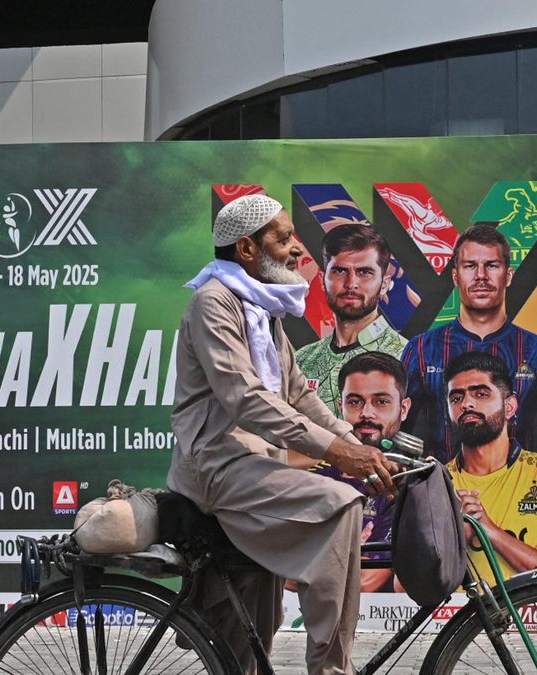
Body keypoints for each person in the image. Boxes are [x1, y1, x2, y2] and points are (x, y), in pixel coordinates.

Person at [167, 193, 397, 675]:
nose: (297, 249)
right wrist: (334, 451)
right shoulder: (215, 304)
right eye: (283, 237)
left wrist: (354, 444)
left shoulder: (260, 308)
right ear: (247, 249)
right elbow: (247, 400)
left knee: (251, 635)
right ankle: (331, 668)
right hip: (217, 466)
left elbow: (298, 394)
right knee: (340, 506)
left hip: (254, 466)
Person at [400, 224, 537, 462]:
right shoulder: (422, 349)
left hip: (519, 491)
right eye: (470, 266)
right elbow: (400, 431)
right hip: (442, 490)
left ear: (508, 275)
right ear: (456, 276)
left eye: (492, 265)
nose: (481, 276)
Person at [444, 351, 537, 583]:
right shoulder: (436, 484)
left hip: (535, 617)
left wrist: (487, 529)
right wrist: (451, 541)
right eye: (456, 398)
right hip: (461, 619)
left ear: (510, 406)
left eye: (481, 394)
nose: (466, 404)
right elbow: (403, 587)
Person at [295, 223, 407, 412]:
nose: (351, 283)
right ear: (323, 280)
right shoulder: (301, 361)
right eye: (339, 271)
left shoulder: (407, 358)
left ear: (385, 284)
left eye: (364, 272)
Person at [334, 352, 412, 592]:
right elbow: (280, 576)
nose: (367, 413)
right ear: (340, 408)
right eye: (355, 402)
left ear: (404, 409)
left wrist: (319, 556)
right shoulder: (313, 477)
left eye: (381, 402)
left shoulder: (408, 483)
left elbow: (367, 580)